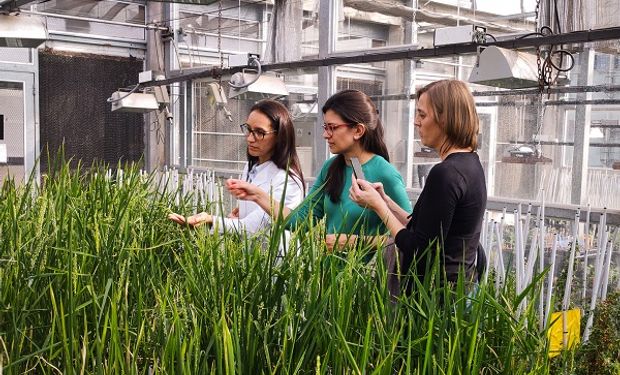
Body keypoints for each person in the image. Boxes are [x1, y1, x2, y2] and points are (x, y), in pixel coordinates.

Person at [226, 89, 412, 252]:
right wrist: (258, 195)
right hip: (329, 278)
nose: (325, 135)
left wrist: (356, 242)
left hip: (367, 282)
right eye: (325, 127)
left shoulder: (385, 173)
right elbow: (299, 221)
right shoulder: (331, 168)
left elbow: (410, 238)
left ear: (358, 131)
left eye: (332, 128)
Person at [349, 79, 487, 284]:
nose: (416, 121)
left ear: (445, 118)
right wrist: (386, 201)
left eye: (422, 114)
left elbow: (418, 249)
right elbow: (427, 231)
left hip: (436, 299)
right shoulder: (470, 164)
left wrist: (378, 208)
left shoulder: (446, 173)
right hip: (458, 291)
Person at [168, 99, 305, 242]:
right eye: (249, 129)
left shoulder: (288, 180)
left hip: (276, 259)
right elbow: (249, 221)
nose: (250, 138)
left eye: (259, 132)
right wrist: (240, 215)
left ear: (279, 136)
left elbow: (253, 227)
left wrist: (209, 220)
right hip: (251, 254)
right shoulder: (252, 166)